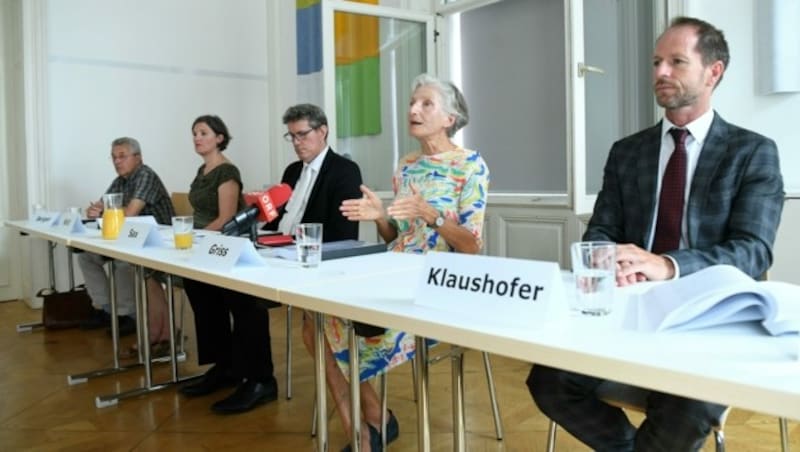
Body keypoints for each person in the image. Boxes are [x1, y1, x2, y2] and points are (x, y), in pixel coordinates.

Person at [526, 17, 784, 451]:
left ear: (713, 72)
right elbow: (603, 231)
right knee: (548, 380)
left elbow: (752, 252)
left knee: (686, 407)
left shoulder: (752, 152)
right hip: (628, 313)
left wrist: (665, 266)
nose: (660, 72)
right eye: (656, 62)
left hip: (709, 319)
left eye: (677, 61)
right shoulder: (628, 152)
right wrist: (612, 264)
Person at [339, 74, 490, 451]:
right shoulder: (406, 166)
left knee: (335, 333)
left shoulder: (471, 166)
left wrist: (432, 215)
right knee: (319, 318)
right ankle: (370, 421)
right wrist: (379, 217)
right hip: (395, 272)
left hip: (440, 285)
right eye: (411, 102)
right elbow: (398, 239)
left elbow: (471, 248)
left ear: (449, 119)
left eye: (425, 104)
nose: (413, 110)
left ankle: (368, 431)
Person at [178, 115, 278, 414]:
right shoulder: (202, 170)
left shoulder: (227, 172)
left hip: (224, 246)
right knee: (199, 292)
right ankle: (224, 367)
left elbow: (224, 218)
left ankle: (257, 378)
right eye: (194, 133)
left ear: (219, 138)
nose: (197, 138)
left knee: (244, 306)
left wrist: (192, 238)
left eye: (203, 133)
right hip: (202, 245)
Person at [79, 137, 175, 348]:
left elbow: (130, 213)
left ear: (138, 157)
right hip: (131, 239)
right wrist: (97, 210)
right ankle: (107, 310)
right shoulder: (120, 180)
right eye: (113, 157)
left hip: (159, 244)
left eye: (122, 156)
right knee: (86, 256)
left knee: (123, 263)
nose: (117, 162)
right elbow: (100, 206)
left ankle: (127, 315)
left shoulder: (145, 175)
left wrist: (104, 212)